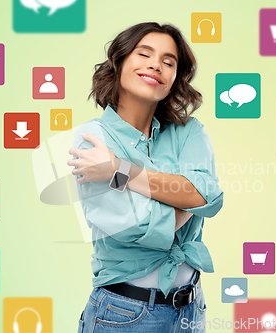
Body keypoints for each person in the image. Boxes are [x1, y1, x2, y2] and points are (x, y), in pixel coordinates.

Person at [67, 22, 223, 333]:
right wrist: (186, 196)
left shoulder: (187, 130)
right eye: (144, 54)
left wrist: (119, 170)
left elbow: (209, 195)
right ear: (120, 61)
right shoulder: (92, 140)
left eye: (169, 62)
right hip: (125, 314)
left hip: (192, 310)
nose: (156, 65)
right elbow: (139, 224)